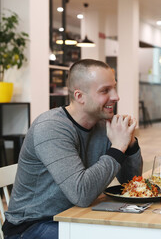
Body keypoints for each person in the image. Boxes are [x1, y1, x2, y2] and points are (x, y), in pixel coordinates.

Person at [3, 59, 143, 239]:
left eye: (114, 88)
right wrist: (117, 148)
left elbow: (131, 185)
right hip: (32, 226)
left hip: (75, 216)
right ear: (79, 96)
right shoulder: (50, 127)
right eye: (105, 90)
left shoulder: (104, 125)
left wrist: (129, 145)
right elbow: (82, 194)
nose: (116, 97)